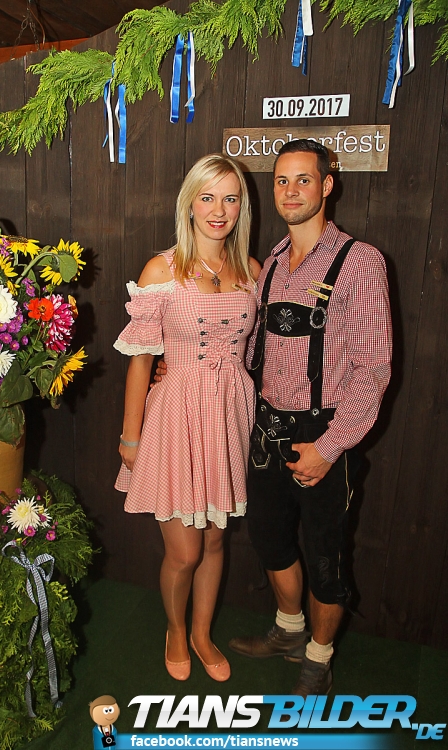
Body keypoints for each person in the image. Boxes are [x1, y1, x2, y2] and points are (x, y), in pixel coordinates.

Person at [228, 139, 392, 696]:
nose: (291, 190)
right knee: (269, 537)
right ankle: (289, 631)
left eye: (303, 179)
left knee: (325, 556)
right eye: (281, 180)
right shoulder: (272, 261)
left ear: (327, 185)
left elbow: (372, 368)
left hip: (325, 432)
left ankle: (318, 660)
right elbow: (249, 345)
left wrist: (330, 445)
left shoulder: (360, 261)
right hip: (268, 427)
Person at [113, 153, 261, 682]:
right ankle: (175, 630)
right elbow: (140, 362)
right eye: (208, 197)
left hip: (230, 414)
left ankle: (201, 634)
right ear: (189, 204)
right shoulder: (162, 270)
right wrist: (130, 438)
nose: (218, 210)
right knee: (184, 550)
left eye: (230, 198)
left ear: (242, 207)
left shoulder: (253, 271)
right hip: (175, 416)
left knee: (216, 540)